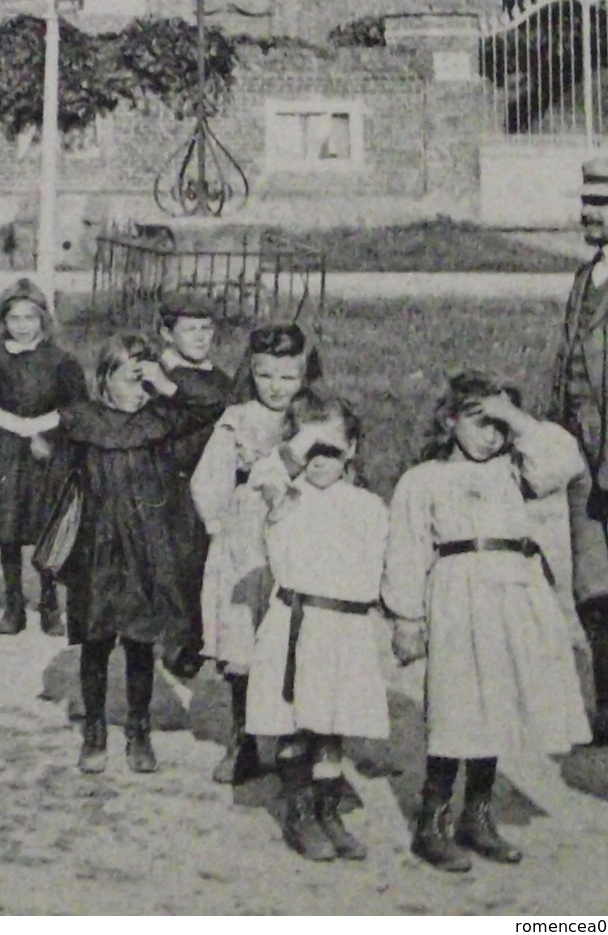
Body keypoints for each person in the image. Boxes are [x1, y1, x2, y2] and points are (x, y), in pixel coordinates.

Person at [384, 373, 591, 872]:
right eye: (481, 423)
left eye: (502, 427)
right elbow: (406, 548)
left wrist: (517, 419)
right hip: (458, 594)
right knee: (457, 703)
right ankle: (431, 821)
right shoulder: (425, 478)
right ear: (450, 420)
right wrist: (407, 616)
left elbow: (568, 462)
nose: (492, 436)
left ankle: (477, 817)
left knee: (494, 704)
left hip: (514, 597)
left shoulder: (516, 472)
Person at [59, 332, 222, 776]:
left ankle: (138, 726)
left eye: (145, 382)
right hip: (95, 549)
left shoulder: (160, 422)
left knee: (138, 644)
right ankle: (94, 727)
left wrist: (167, 386)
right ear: (104, 379)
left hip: (143, 551)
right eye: (130, 380)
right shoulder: (81, 421)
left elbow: (211, 407)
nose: (138, 391)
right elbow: (58, 477)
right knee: (94, 642)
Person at [244, 389, 388, 863]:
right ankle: (300, 813)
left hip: (345, 630)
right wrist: (298, 446)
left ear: (352, 451)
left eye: (332, 448)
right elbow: (261, 474)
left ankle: (329, 812)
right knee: (295, 726)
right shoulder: (285, 496)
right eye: (310, 449)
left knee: (332, 729)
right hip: (297, 625)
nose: (319, 459)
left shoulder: (368, 506)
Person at [191, 322, 321, 784]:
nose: (276, 387)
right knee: (245, 634)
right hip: (249, 537)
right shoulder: (238, 418)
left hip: (302, 529)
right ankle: (243, 739)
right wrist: (220, 526)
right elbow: (209, 480)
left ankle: (297, 743)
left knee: (297, 639)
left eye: (287, 377)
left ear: (304, 375)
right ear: (252, 372)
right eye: (266, 375)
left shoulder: (316, 418)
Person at [551, 153, 608, 742]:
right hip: (585, 461)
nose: (589, 212)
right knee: (594, 587)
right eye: (586, 200)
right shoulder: (587, 276)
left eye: (604, 202)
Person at [0, 278, 87, 636]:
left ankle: (49, 603)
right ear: (4, 321)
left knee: (45, 527)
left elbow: (77, 407)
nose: (22, 326)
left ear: (43, 320)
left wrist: (47, 432)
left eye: (30, 318)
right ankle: (13, 604)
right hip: (6, 449)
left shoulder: (61, 360)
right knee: (8, 527)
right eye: (15, 318)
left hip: (46, 451)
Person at [157, 292, 236, 678]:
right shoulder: (159, 376)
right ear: (166, 333)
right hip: (172, 482)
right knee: (177, 565)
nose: (201, 337)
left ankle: (205, 637)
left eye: (207, 328)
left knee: (208, 560)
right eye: (190, 329)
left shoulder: (218, 379)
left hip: (212, 483)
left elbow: (225, 402)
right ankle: (180, 642)